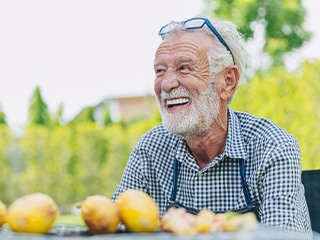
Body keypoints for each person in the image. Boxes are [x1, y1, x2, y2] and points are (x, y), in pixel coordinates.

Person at [112, 17, 312, 235]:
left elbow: (280, 238)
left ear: (228, 82)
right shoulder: (151, 148)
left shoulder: (272, 147)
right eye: (160, 71)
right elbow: (114, 228)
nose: (167, 84)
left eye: (184, 68)